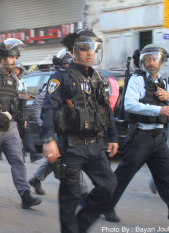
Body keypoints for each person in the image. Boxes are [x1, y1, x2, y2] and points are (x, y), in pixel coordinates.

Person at [41, 29, 118, 233]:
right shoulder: (62, 77)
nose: (89, 53)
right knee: (71, 195)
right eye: (84, 49)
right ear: (74, 51)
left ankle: (79, 227)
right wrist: (49, 139)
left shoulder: (98, 78)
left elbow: (106, 110)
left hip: (95, 146)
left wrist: (113, 136)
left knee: (108, 186)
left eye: (93, 49)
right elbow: (48, 109)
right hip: (72, 147)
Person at [102, 44, 169, 231]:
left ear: (161, 61)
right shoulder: (137, 79)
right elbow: (130, 105)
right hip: (141, 137)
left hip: (159, 137)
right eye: (148, 58)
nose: (151, 62)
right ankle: (105, 204)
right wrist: (159, 109)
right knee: (123, 176)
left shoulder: (163, 81)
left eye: (155, 58)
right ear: (143, 61)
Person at [0, 38, 42, 210]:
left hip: (11, 125)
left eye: (16, 57)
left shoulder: (14, 77)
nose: (14, 61)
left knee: (18, 159)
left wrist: (22, 115)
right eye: (11, 57)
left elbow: (16, 99)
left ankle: (25, 195)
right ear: (3, 57)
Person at [29, 49, 89, 197]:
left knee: (56, 157)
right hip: (57, 129)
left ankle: (36, 179)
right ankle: (83, 192)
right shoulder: (55, 82)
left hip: (69, 127)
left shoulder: (74, 81)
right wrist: (41, 122)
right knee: (71, 158)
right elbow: (38, 103)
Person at [0, 60, 43, 163]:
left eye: (17, 69)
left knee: (26, 130)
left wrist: (25, 97)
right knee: (5, 129)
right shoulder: (7, 80)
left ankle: (33, 154)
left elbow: (24, 95)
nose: (16, 71)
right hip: (10, 109)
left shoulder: (22, 82)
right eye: (14, 69)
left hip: (21, 109)